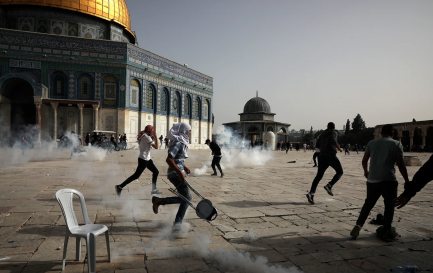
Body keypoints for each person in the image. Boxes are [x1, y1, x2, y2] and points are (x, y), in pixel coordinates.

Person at [350, 124, 409, 241]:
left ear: (381, 132)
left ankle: (358, 225)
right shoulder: (396, 144)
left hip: (372, 180)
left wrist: (366, 171)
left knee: (368, 204)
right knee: (389, 205)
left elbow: (364, 160)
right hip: (389, 180)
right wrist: (407, 180)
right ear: (392, 133)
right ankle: (387, 230)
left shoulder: (372, 143)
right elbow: (401, 164)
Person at [151, 123, 192, 231]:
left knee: (185, 198)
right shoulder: (178, 142)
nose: (190, 133)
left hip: (176, 173)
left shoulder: (182, 142)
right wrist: (179, 172)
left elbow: (178, 160)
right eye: (188, 131)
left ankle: (159, 201)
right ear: (183, 131)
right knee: (187, 199)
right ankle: (177, 226)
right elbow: (169, 160)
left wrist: (185, 167)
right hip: (175, 174)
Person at [115, 125, 160, 196]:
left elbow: (147, 144)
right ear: (149, 131)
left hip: (147, 159)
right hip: (143, 160)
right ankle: (119, 187)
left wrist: (152, 137)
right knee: (136, 176)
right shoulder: (147, 137)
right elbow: (157, 147)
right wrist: (156, 136)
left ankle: (154, 189)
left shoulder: (143, 136)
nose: (153, 132)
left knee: (156, 172)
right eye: (152, 130)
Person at [306, 122, 343, 204]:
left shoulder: (322, 134)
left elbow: (317, 145)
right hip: (330, 155)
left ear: (327, 126)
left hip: (321, 156)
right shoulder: (333, 132)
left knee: (319, 176)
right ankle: (329, 185)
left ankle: (311, 194)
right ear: (334, 127)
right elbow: (333, 140)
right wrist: (339, 148)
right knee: (340, 172)